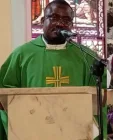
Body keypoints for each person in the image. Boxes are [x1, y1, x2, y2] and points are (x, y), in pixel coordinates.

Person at [0, 1, 107, 139]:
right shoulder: (22, 55)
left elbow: (101, 98)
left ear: (71, 25)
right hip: (33, 130)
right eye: (54, 17)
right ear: (43, 20)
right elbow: (4, 95)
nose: (60, 23)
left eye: (66, 20)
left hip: (74, 130)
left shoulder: (86, 56)